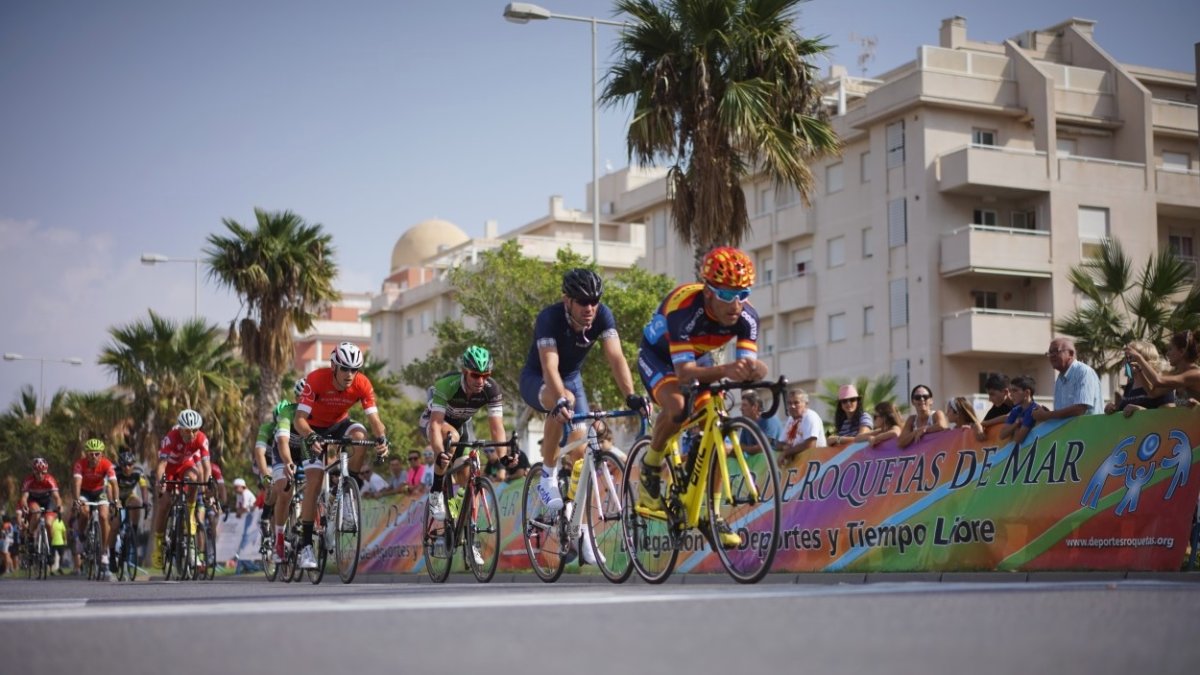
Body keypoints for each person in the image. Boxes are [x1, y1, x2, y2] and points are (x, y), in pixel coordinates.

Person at [636, 246, 765, 548]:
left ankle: (711, 512)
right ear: (708, 292)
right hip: (660, 358)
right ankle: (652, 465)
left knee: (718, 429)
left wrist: (756, 369)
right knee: (679, 406)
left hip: (700, 359)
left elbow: (747, 365)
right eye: (726, 294)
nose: (736, 303)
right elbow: (683, 375)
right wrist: (729, 368)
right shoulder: (685, 310)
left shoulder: (748, 317)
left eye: (743, 292)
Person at [521, 270, 645, 515]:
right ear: (568, 300)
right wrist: (559, 400)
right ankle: (547, 474)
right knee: (564, 398)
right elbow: (550, 367)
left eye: (595, 301)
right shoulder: (549, 318)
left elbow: (616, 357)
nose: (590, 308)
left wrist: (630, 395)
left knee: (580, 454)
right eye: (583, 302)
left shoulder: (603, 316)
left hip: (572, 381)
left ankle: (579, 527)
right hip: (538, 379)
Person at [293, 342, 388, 570]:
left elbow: (374, 419)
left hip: (338, 424)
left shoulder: (362, 383)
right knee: (314, 481)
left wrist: (382, 440)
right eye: (345, 368)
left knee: (360, 436)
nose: (350, 374)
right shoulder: (316, 379)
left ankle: (346, 493)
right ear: (334, 366)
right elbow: (299, 419)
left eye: (354, 369)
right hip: (313, 429)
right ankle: (306, 546)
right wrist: (311, 437)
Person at [421, 346, 514, 528]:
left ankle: (466, 529)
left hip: (461, 426)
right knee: (451, 436)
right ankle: (436, 492)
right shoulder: (447, 386)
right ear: (464, 372)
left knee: (468, 472)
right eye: (475, 375)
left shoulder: (492, 389)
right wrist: (440, 453)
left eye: (486, 375)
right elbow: (435, 425)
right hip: (433, 423)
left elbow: (497, 427)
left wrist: (502, 457)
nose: (481, 380)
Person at [152, 409, 212, 570]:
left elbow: (206, 467)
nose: (191, 434)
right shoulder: (170, 438)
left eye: (195, 430)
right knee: (164, 504)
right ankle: (158, 545)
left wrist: (206, 488)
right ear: (180, 428)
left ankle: (190, 514)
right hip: (169, 469)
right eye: (187, 430)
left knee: (195, 478)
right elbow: (161, 466)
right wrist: (161, 482)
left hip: (185, 466)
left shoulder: (201, 439)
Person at [261, 378, 306, 565]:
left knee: (316, 485)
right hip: (282, 454)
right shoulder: (287, 412)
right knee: (284, 491)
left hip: (304, 455)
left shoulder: (319, 413)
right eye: (302, 397)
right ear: (296, 398)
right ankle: (279, 539)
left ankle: (305, 530)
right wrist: (284, 464)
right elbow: (281, 443)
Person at [72, 438, 119, 579]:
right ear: (86, 454)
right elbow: (77, 483)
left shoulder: (107, 464)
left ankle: (104, 552)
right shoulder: (80, 464)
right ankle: (81, 536)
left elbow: (114, 484)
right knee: (84, 512)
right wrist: (76, 500)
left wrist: (116, 501)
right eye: (91, 454)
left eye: (97, 454)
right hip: (85, 492)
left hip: (100, 492)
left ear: (102, 454)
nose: (94, 457)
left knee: (104, 516)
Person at [1031, 337, 1103, 425]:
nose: (1052, 355)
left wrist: (1047, 415)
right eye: (1050, 353)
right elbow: (1062, 413)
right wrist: (1046, 413)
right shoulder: (1059, 380)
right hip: (1069, 435)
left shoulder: (1083, 372)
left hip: (1089, 433)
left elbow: (1079, 409)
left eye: (1056, 351)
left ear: (1071, 353)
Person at [1126, 329, 1200, 407]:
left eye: (1170, 349)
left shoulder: (1195, 374)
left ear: (1182, 351)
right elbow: (1152, 393)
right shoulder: (1176, 374)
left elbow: (1158, 381)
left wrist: (1139, 358)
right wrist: (1139, 370)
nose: (1167, 354)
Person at [1107, 340, 1175, 416]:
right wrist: (1113, 409)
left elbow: (1169, 416)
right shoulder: (1130, 386)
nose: (1125, 362)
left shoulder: (1161, 385)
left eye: (1130, 357)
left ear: (1145, 361)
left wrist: (1142, 411)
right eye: (1125, 358)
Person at [113, 451, 151, 566]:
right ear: (120, 465)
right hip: (117, 496)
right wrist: (113, 502)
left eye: (129, 464)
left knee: (137, 502)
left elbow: (143, 487)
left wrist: (145, 501)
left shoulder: (138, 472)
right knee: (116, 521)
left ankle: (133, 529)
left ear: (133, 465)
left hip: (129, 495)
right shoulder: (115, 472)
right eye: (124, 465)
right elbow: (110, 488)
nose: (127, 467)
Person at [18, 456, 62, 547]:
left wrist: (59, 506)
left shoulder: (50, 480)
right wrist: (25, 506)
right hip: (33, 501)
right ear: (33, 471)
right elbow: (24, 497)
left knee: (49, 524)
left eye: (43, 473)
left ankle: (50, 546)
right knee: (37, 512)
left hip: (47, 502)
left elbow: (56, 497)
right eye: (37, 472)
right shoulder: (28, 480)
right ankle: (30, 534)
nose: (40, 475)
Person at [776, 388, 825, 464]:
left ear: (806, 404)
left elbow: (810, 445)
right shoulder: (791, 419)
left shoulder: (810, 416)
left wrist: (786, 452)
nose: (792, 406)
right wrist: (785, 447)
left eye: (796, 403)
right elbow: (779, 444)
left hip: (816, 465)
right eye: (789, 403)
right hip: (799, 467)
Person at [897, 384, 949, 449]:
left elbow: (943, 426)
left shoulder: (936, 414)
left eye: (925, 397)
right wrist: (916, 432)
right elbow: (901, 442)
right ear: (913, 402)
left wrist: (925, 430)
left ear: (931, 401)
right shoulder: (912, 419)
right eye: (917, 397)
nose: (922, 399)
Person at [999, 376, 1042, 447]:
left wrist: (1013, 427)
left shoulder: (1034, 410)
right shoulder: (1016, 410)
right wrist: (1017, 423)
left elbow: (1018, 439)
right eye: (1010, 391)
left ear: (1027, 393)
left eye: (1015, 391)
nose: (1011, 394)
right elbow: (1002, 435)